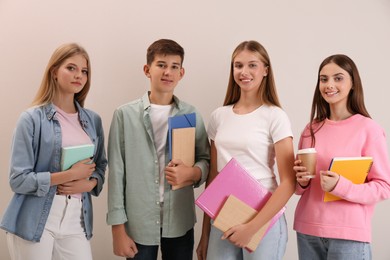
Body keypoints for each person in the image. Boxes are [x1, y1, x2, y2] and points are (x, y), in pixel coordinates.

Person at [0, 43, 107, 260]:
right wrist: (69, 175)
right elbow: (18, 180)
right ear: (54, 72)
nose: (79, 75)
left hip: (77, 218)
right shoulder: (31, 119)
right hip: (35, 217)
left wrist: (89, 183)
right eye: (71, 68)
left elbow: (101, 166)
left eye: (84, 71)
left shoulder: (93, 120)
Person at [107, 38, 210, 260]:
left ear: (182, 73)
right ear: (147, 69)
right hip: (138, 223)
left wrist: (192, 173)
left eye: (174, 66)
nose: (167, 72)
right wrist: (117, 228)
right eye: (161, 65)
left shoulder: (191, 115)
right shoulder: (124, 115)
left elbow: (206, 159)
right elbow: (116, 173)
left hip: (180, 221)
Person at [196, 40, 296, 260]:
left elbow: (289, 182)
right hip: (222, 215)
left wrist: (252, 227)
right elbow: (212, 179)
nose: (244, 72)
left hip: (264, 217)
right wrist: (204, 234)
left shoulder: (275, 116)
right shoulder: (219, 116)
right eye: (238, 65)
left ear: (265, 70)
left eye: (252, 65)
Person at [293, 54, 390, 260]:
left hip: (349, 234)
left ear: (353, 83)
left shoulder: (369, 130)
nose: (329, 85)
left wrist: (341, 186)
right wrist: (300, 182)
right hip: (308, 230)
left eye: (338, 78)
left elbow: (384, 186)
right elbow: (300, 189)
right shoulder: (310, 129)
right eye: (323, 79)